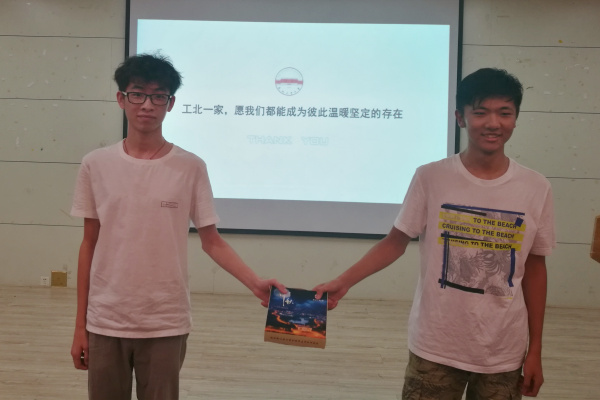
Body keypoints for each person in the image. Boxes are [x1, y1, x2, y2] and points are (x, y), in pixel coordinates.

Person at [314, 68, 555, 399]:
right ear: (460, 118)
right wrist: (343, 282)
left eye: (504, 113)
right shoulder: (431, 177)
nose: (493, 123)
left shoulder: (535, 187)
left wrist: (536, 348)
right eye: (480, 112)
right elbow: (394, 243)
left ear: (515, 119)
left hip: (502, 352)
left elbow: (536, 268)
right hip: (435, 346)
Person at [69, 53, 286, 400]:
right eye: (138, 94)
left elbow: (212, 241)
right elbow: (89, 244)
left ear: (170, 104)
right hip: (106, 318)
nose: (147, 105)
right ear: (121, 98)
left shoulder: (191, 167)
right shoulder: (95, 164)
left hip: (165, 320)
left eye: (158, 96)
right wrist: (80, 325)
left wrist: (255, 283)